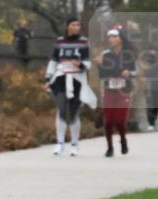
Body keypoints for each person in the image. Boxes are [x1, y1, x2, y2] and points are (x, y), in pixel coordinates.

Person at [44, 17, 96, 156]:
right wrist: (48, 78)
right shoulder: (60, 41)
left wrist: (80, 64)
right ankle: (60, 143)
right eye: (74, 24)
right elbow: (53, 61)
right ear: (67, 26)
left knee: (73, 112)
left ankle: (74, 144)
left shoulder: (84, 42)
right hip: (60, 78)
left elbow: (88, 63)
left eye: (78, 24)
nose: (77, 27)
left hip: (77, 79)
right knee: (61, 109)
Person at [97, 27, 138, 156]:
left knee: (120, 121)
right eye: (110, 37)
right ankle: (110, 147)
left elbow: (135, 71)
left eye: (115, 36)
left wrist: (129, 72)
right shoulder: (105, 54)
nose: (112, 39)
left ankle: (123, 140)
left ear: (121, 38)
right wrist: (99, 65)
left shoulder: (129, 54)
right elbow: (102, 74)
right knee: (108, 121)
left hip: (124, 90)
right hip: (109, 89)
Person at [143, 48, 158, 131]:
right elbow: (144, 72)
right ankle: (151, 123)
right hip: (151, 86)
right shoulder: (147, 61)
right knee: (151, 105)